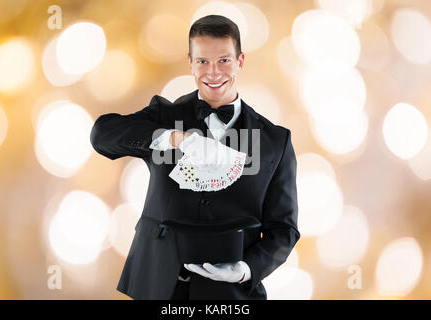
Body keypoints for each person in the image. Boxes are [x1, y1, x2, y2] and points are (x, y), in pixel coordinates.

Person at [90, 14, 300, 300]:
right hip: (157, 287)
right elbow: (102, 135)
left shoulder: (275, 141)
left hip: (231, 295)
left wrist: (244, 269)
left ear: (240, 61)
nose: (213, 72)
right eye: (202, 61)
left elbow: (283, 230)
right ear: (190, 62)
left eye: (224, 60)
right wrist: (175, 138)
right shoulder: (165, 116)